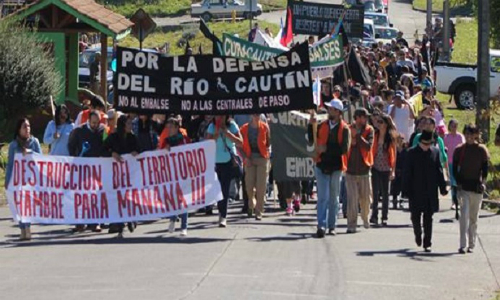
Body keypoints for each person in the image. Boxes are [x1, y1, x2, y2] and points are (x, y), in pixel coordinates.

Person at [309, 99, 351, 238]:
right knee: (322, 197)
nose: (329, 111)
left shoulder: (345, 129)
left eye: (332, 109)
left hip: (336, 166)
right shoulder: (320, 125)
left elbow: (344, 149)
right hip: (321, 165)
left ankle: (332, 226)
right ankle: (321, 225)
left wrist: (327, 148)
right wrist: (311, 125)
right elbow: (311, 139)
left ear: (338, 112)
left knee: (334, 198)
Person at [403, 130, 448, 252]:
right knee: (415, 216)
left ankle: (427, 242)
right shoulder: (411, 153)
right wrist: (405, 190)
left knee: (429, 217)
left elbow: (439, 171)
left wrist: (443, 188)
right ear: (420, 142)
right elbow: (407, 173)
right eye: (424, 144)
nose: (427, 147)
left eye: (429, 144)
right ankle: (418, 233)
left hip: (430, 190)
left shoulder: (435, 152)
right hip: (415, 190)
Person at [453, 124, 490, 254]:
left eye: (471, 134)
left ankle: (471, 244)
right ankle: (462, 244)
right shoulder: (459, 150)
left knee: (473, 218)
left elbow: (485, 169)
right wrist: (458, 183)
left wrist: (483, 182)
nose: (468, 137)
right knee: (464, 216)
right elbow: (455, 168)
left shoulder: (482, 150)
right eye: (466, 134)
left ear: (476, 135)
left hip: (477, 188)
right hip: (464, 188)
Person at [68, 111, 107, 232]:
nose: (96, 125)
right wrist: (77, 158)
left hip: (97, 169)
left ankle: (95, 222)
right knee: (81, 195)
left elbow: (105, 146)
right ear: (89, 120)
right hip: (82, 169)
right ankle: (79, 222)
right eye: (93, 122)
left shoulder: (102, 131)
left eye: (97, 122)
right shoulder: (79, 131)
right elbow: (71, 146)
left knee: (96, 196)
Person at [5, 118, 42, 241]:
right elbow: (10, 165)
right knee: (19, 205)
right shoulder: (13, 145)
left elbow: (41, 159)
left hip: (30, 181)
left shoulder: (34, 142)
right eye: (24, 127)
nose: (27, 129)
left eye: (29, 126)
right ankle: (22, 229)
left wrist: (30, 152)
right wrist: (7, 181)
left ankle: (28, 228)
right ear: (19, 129)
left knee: (28, 205)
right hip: (17, 181)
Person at [103, 115, 140, 238]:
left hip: (130, 175)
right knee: (118, 200)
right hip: (116, 175)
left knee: (129, 198)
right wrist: (112, 153)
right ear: (123, 126)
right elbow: (102, 149)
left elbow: (139, 150)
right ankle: (120, 228)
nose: (131, 126)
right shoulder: (113, 137)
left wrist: (135, 153)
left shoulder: (133, 137)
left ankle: (131, 220)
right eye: (128, 124)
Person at [206, 115, 243, 227]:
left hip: (228, 161)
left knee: (225, 189)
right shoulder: (212, 126)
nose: (220, 118)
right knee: (217, 189)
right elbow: (207, 143)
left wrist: (228, 133)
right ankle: (220, 211)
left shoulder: (232, 125)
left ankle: (223, 216)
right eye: (218, 116)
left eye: (222, 116)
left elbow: (240, 142)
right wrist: (215, 135)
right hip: (215, 161)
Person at [159, 118, 191, 236]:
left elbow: (191, 152)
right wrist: (164, 150)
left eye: (171, 127)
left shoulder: (184, 139)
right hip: (171, 173)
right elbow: (160, 155)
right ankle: (172, 218)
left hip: (183, 172)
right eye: (168, 127)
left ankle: (184, 226)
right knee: (172, 198)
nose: (169, 129)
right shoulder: (166, 141)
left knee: (183, 199)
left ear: (177, 128)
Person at [345, 108, 374, 233]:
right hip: (350, 170)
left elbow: (368, 146)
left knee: (366, 199)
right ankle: (351, 224)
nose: (365, 119)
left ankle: (365, 216)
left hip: (364, 170)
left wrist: (357, 135)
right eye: (363, 117)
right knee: (352, 199)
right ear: (356, 117)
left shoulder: (369, 130)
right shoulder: (348, 129)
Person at [370, 113, 397, 226]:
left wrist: (393, 170)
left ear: (386, 124)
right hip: (375, 167)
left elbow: (394, 154)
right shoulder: (375, 135)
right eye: (378, 122)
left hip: (386, 167)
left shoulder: (391, 137)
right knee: (375, 193)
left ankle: (384, 216)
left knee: (385, 193)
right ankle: (374, 215)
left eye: (381, 122)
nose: (378, 124)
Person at [444, 119, 465, 209]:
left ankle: (460, 200)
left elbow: (464, 147)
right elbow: (444, 149)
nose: (454, 128)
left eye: (456, 126)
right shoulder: (446, 137)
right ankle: (454, 201)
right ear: (449, 127)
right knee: (453, 182)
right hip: (450, 162)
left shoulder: (460, 137)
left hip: (459, 162)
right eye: (452, 126)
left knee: (459, 181)